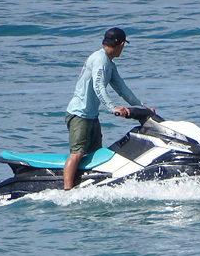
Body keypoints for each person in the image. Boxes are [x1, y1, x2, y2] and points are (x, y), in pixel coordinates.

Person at [63, 27, 151, 190]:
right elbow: (98, 86)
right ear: (122, 44)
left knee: (96, 154)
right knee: (77, 153)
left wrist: (141, 106)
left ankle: (89, 185)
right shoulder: (100, 60)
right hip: (78, 115)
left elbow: (122, 88)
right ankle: (67, 191)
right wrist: (112, 107)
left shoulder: (109, 64)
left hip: (91, 116)